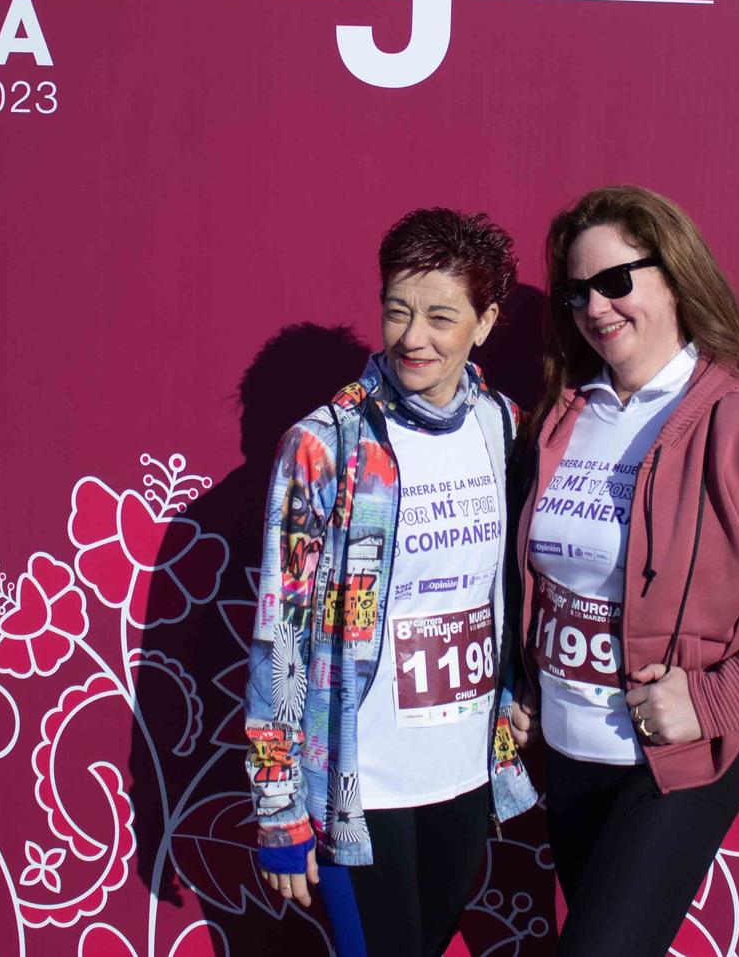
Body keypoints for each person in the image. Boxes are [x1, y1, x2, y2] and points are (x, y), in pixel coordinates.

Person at [509, 185, 739, 957]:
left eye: (616, 281)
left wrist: (712, 699)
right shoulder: (567, 413)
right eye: (577, 291)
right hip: (572, 751)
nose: (596, 307)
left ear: (673, 275)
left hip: (672, 760)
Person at [244, 208, 537, 957]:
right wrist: (279, 805)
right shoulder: (325, 444)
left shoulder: (505, 429)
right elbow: (282, 633)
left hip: (466, 775)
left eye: (442, 316)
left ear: (486, 320)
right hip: (359, 787)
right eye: (398, 310)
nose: (414, 337)